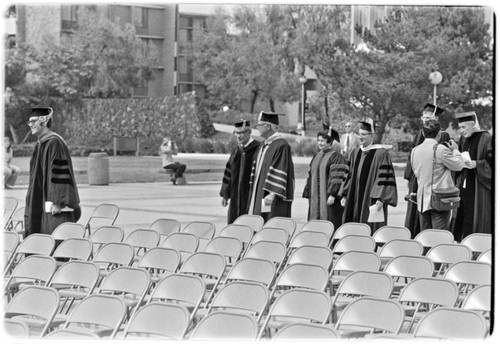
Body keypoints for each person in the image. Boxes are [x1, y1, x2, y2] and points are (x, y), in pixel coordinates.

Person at [24, 107, 81, 236]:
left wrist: (58, 201)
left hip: (54, 204)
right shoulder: (41, 144)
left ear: (44, 121)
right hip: (41, 198)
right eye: (29, 122)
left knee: (55, 236)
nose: (30, 125)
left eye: (34, 121)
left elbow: (60, 173)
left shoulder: (54, 142)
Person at [340, 119, 398, 233]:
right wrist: (345, 194)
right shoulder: (355, 152)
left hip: (371, 200)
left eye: (364, 135)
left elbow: (384, 178)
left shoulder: (381, 154)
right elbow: (348, 175)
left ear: (371, 136)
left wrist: (381, 198)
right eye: (359, 134)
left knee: (370, 229)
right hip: (354, 198)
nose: (361, 137)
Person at [404, 103, 450, 237]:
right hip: (417, 177)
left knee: (430, 212)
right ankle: (416, 235)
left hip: (433, 179)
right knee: (417, 208)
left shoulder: (443, 134)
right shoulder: (420, 133)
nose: (424, 118)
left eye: (428, 116)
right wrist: (409, 176)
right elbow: (411, 155)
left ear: (435, 117)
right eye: (423, 116)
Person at [410, 120, 464, 231]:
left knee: (425, 236)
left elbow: (415, 172)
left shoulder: (415, 151)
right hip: (439, 199)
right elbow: (458, 165)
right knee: (439, 236)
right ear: (439, 134)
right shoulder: (441, 150)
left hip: (422, 200)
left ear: (424, 133)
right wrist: (456, 151)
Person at [452, 111, 492, 242]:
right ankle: (462, 242)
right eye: (460, 127)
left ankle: (475, 245)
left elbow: (493, 162)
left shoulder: (486, 138)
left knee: (474, 216)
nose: (461, 131)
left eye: (464, 127)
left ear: (473, 124)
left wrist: (477, 164)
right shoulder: (463, 139)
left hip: (478, 186)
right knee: (462, 215)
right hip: (463, 184)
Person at [247, 111, 295, 221]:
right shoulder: (263, 145)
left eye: (259, 125)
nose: (257, 127)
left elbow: (281, 168)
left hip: (271, 198)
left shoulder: (281, 145)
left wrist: (272, 194)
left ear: (268, 126)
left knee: (271, 224)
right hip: (259, 194)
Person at [302, 124, 348, 230]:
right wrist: (308, 192)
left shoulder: (336, 157)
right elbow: (310, 176)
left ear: (330, 142)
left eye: (322, 141)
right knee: (315, 224)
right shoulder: (316, 156)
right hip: (315, 199)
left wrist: (333, 194)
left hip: (329, 199)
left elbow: (337, 177)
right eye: (318, 140)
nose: (320, 143)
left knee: (330, 224)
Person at [220, 120, 260, 224]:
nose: (238, 136)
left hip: (250, 196)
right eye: (236, 133)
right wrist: (225, 194)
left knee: (249, 225)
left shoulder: (258, 149)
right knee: (234, 225)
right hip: (235, 196)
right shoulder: (236, 150)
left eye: (241, 133)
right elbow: (228, 173)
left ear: (249, 132)